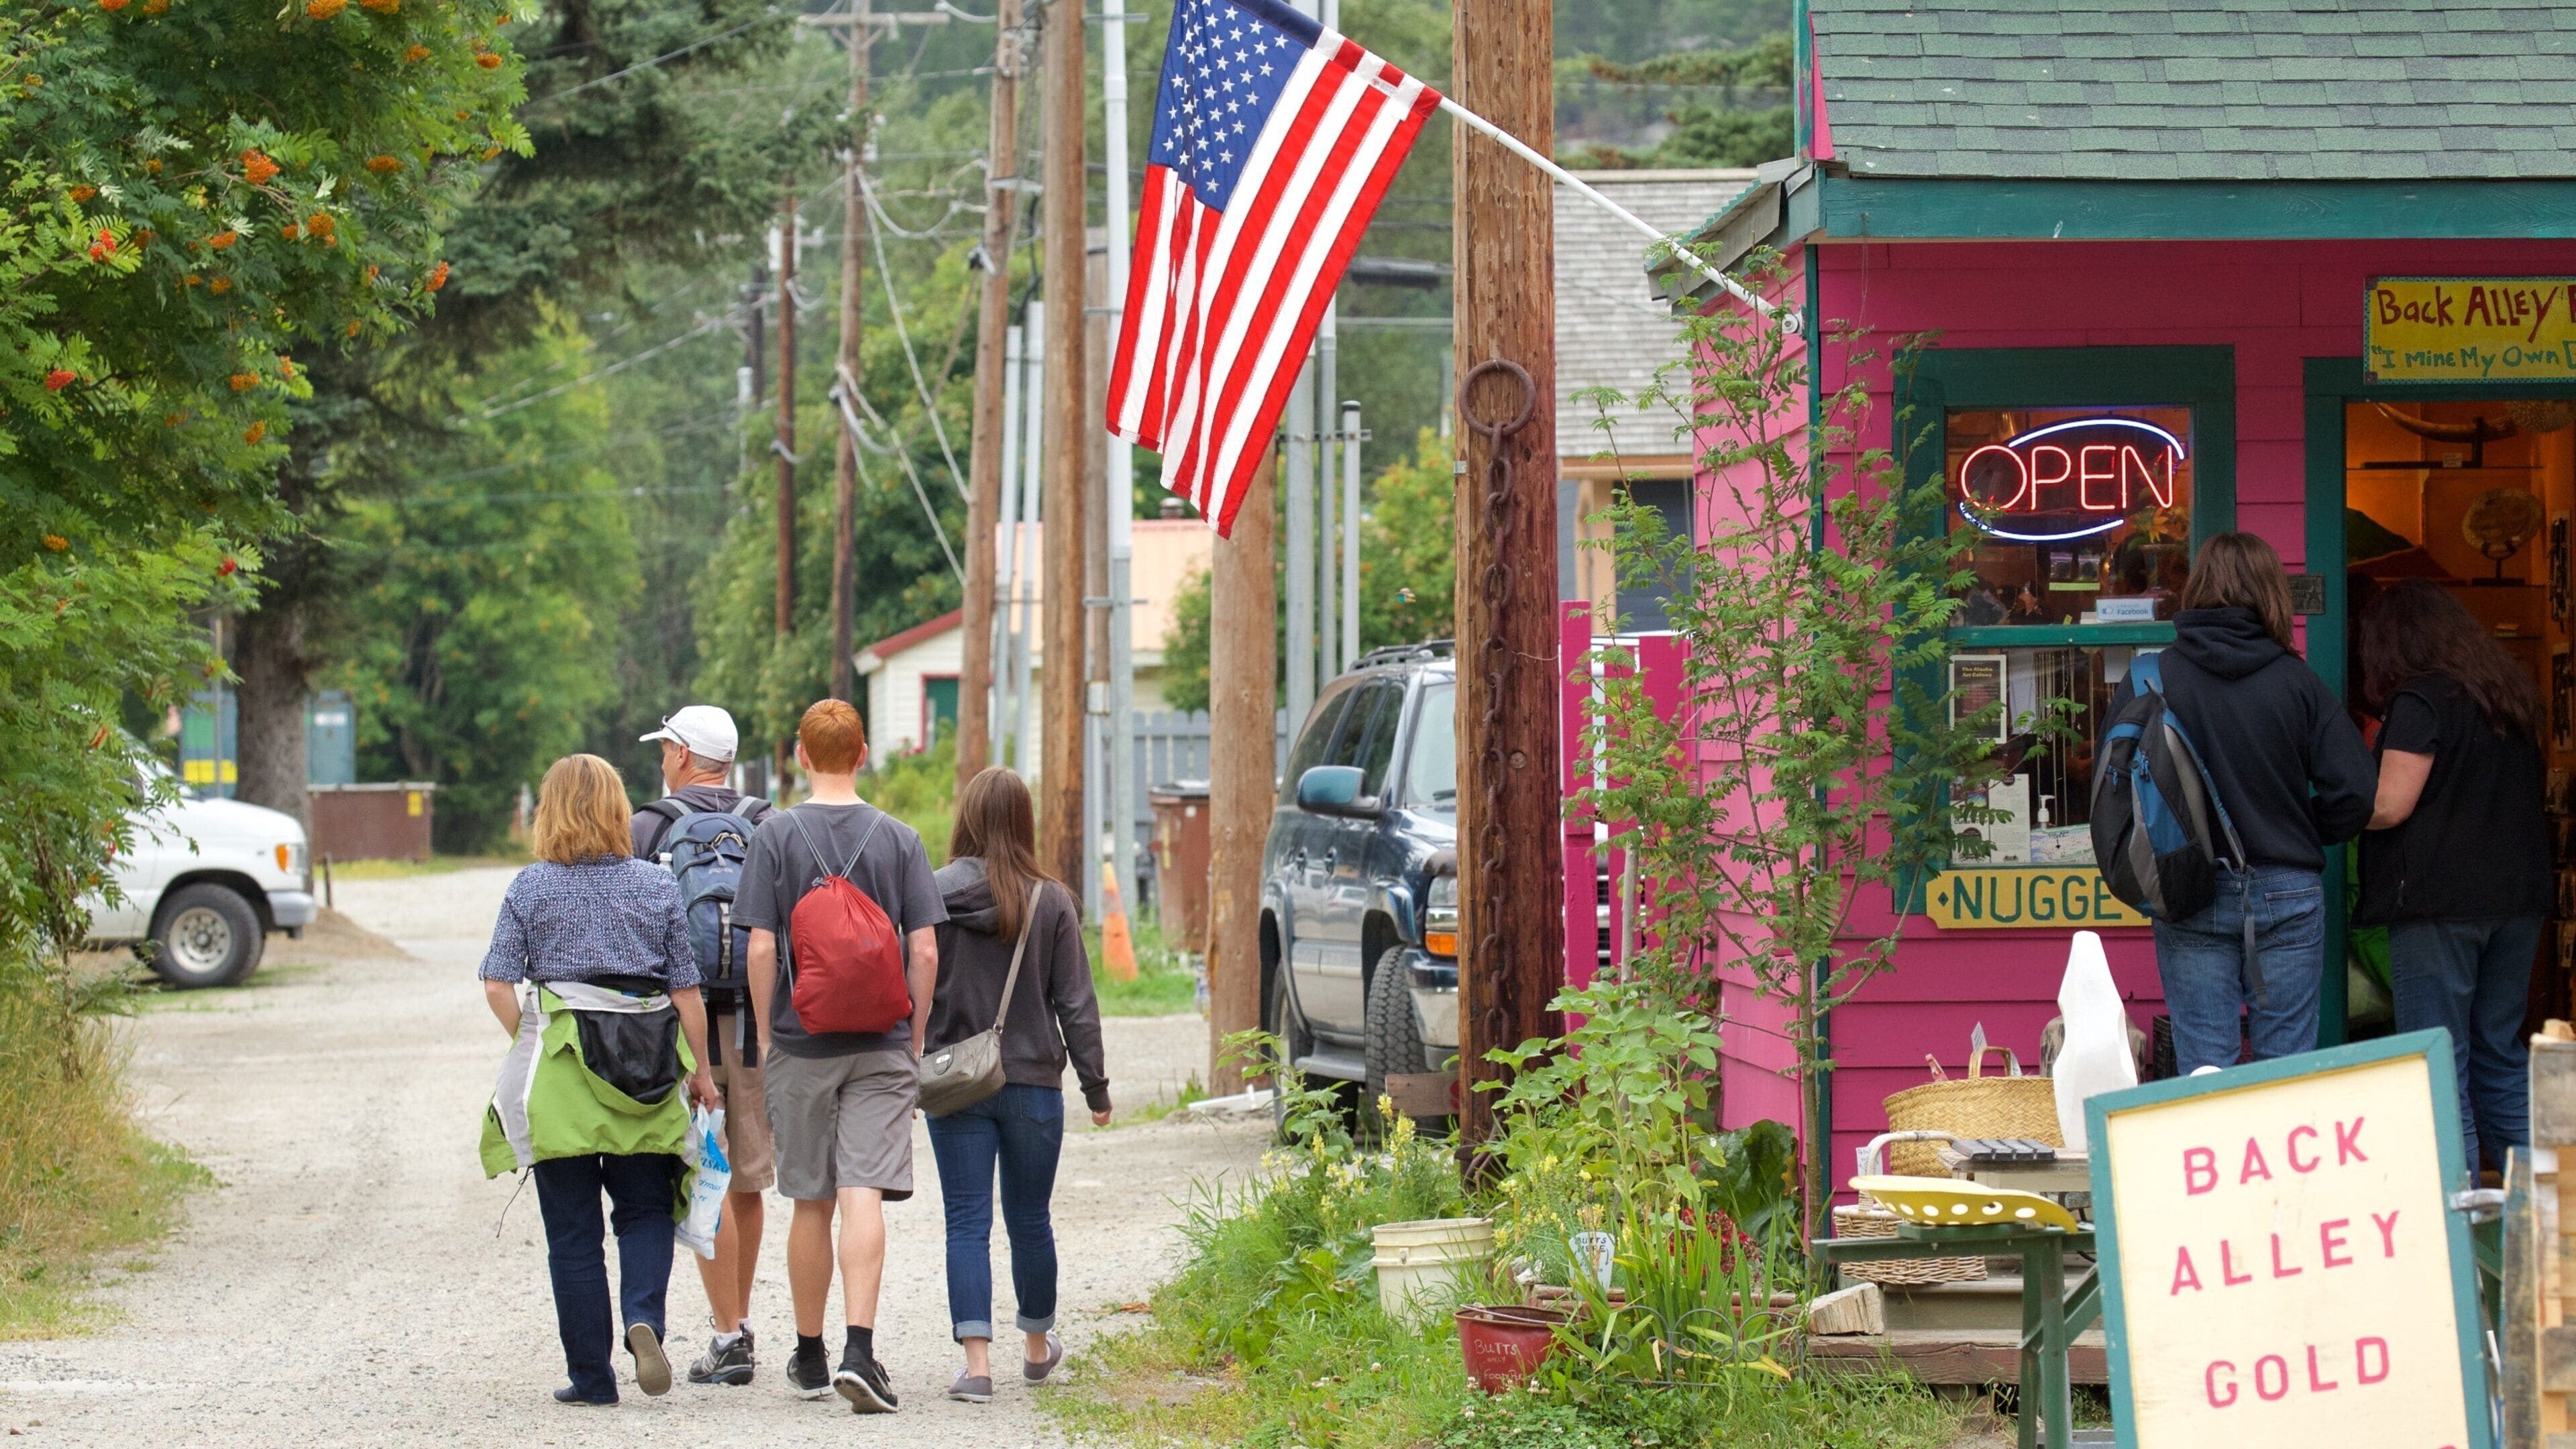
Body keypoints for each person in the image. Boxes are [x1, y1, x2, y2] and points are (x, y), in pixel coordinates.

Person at [477, 753, 718, 1407]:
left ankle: (591, 1378)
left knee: (573, 1235)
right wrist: (704, 1075)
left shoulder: (530, 888)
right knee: (644, 1211)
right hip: (646, 1072)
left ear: (548, 812)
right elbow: (687, 991)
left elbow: (498, 982)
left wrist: (536, 1040)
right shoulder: (656, 885)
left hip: (561, 1082)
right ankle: (644, 1315)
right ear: (617, 811)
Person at [735, 699, 945, 1413]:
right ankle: (861, 1348)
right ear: (863, 755)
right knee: (864, 1193)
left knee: (809, 1200)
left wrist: (768, 1035)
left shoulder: (775, 837)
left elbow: (761, 946)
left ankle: (810, 1353)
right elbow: (924, 947)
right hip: (882, 1043)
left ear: (801, 756)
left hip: (801, 1043)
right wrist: (912, 1035)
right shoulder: (901, 839)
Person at [2104, 531, 2375, 1071]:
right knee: (2285, 1069)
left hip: (2189, 885)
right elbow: (2357, 792)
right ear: (2273, 594)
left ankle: (2212, 1158)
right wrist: (2302, 828)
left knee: (2205, 1066)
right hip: (2287, 888)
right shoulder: (2298, 683)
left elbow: (2116, 792)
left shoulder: (2152, 676)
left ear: (2196, 589)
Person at [925, 767, 1113, 1403]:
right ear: (1025, 821)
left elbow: (913, 983)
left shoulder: (931, 895)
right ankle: (1036, 1348)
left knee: (966, 1222)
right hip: (1034, 1083)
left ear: (967, 818)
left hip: (956, 1083)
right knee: (1030, 1219)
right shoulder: (1051, 899)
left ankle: (977, 1366)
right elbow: (1077, 1005)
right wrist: (1097, 1088)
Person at [2357, 578, 2550, 1175]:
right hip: (2517, 904)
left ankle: (2456, 1230)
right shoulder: (2508, 696)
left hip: (2439, 906)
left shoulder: (2422, 700)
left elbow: (2390, 804)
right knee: (2498, 1055)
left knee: (2439, 1063)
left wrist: (2321, 808)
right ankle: (2548, 1222)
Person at [630, 704, 775, 1387]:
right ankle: (739, 1323)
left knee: (702, 1175)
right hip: (753, 1022)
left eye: (666, 747)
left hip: (678, 1022)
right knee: (746, 1173)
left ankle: (725, 1335)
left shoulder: (647, 826)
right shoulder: (769, 822)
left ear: (685, 755)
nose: (662, 758)